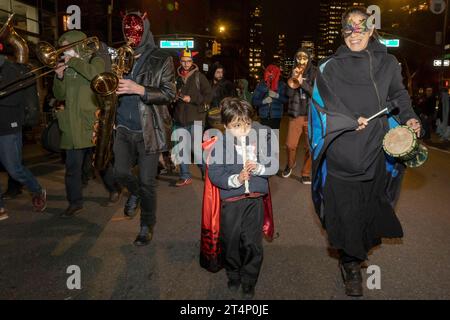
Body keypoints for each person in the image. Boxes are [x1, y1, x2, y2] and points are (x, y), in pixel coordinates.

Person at [309, 7, 421, 297]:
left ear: (372, 30)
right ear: (342, 31)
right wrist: (346, 121)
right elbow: (321, 106)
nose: (354, 33)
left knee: (369, 211)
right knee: (345, 213)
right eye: (348, 27)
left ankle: (358, 253)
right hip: (342, 150)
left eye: (361, 27)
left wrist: (410, 116)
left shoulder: (388, 63)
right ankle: (350, 266)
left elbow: (398, 95)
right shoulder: (328, 67)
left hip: (375, 150)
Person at [113, 11, 175, 246]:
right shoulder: (120, 55)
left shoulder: (161, 58)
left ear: (145, 30)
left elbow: (170, 94)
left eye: (136, 30)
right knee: (119, 173)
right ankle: (135, 192)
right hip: (122, 127)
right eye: (127, 30)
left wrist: (139, 89)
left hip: (148, 129)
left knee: (149, 182)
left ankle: (147, 225)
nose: (131, 35)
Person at [207, 97, 276, 300]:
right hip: (232, 201)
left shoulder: (260, 138)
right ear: (226, 125)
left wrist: (260, 167)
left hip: (254, 200)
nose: (243, 129)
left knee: (252, 242)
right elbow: (215, 174)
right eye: (237, 126)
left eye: (246, 123)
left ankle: (249, 279)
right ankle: (233, 273)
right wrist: (236, 179)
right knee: (230, 241)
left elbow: (273, 166)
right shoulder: (220, 143)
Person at [53, 30, 105, 218]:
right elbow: (59, 95)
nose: (64, 51)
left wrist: (74, 61)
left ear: (77, 45)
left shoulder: (94, 60)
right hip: (71, 125)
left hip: (91, 122)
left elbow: (95, 76)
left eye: (67, 47)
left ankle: (113, 187)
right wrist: (59, 77)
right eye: (63, 48)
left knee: (102, 163)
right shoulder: (65, 65)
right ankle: (75, 202)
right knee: (72, 167)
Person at [0, 54, 47, 220]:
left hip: (8, 128)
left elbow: (15, 98)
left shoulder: (11, 69)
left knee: (14, 170)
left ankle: (36, 190)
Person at [173, 48, 212, 187]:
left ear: (192, 61)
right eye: (183, 61)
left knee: (196, 150)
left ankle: (206, 172)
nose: (186, 64)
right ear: (180, 62)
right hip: (179, 119)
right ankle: (185, 176)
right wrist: (174, 97)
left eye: (188, 61)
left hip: (196, 118)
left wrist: (193, 98)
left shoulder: (199, 77)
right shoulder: (176, 78)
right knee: (181, 149)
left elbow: (209, 95)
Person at [282, 48, 316, 184]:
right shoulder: (292, 71)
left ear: (308, 59)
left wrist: (303, 83)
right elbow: (288, 94)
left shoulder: (315, 72)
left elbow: (316, 93)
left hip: (310, 115)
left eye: (304, 58)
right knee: (290, 145)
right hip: (296, 114)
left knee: (310, 146)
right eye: (299, 58)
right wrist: (293, 78)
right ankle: (290, 164)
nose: (301, 61)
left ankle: (306, 173)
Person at [251, 64, 288, 129]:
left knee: (274, 138)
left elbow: (286, 100)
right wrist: (263, 101)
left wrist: (277, 96)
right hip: (264, 117)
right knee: (264, 138)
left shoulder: (282, 85)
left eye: (273, 73)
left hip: (276, 117)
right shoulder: (261, 85)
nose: (271, 76)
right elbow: (254, 101)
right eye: (269, 73)